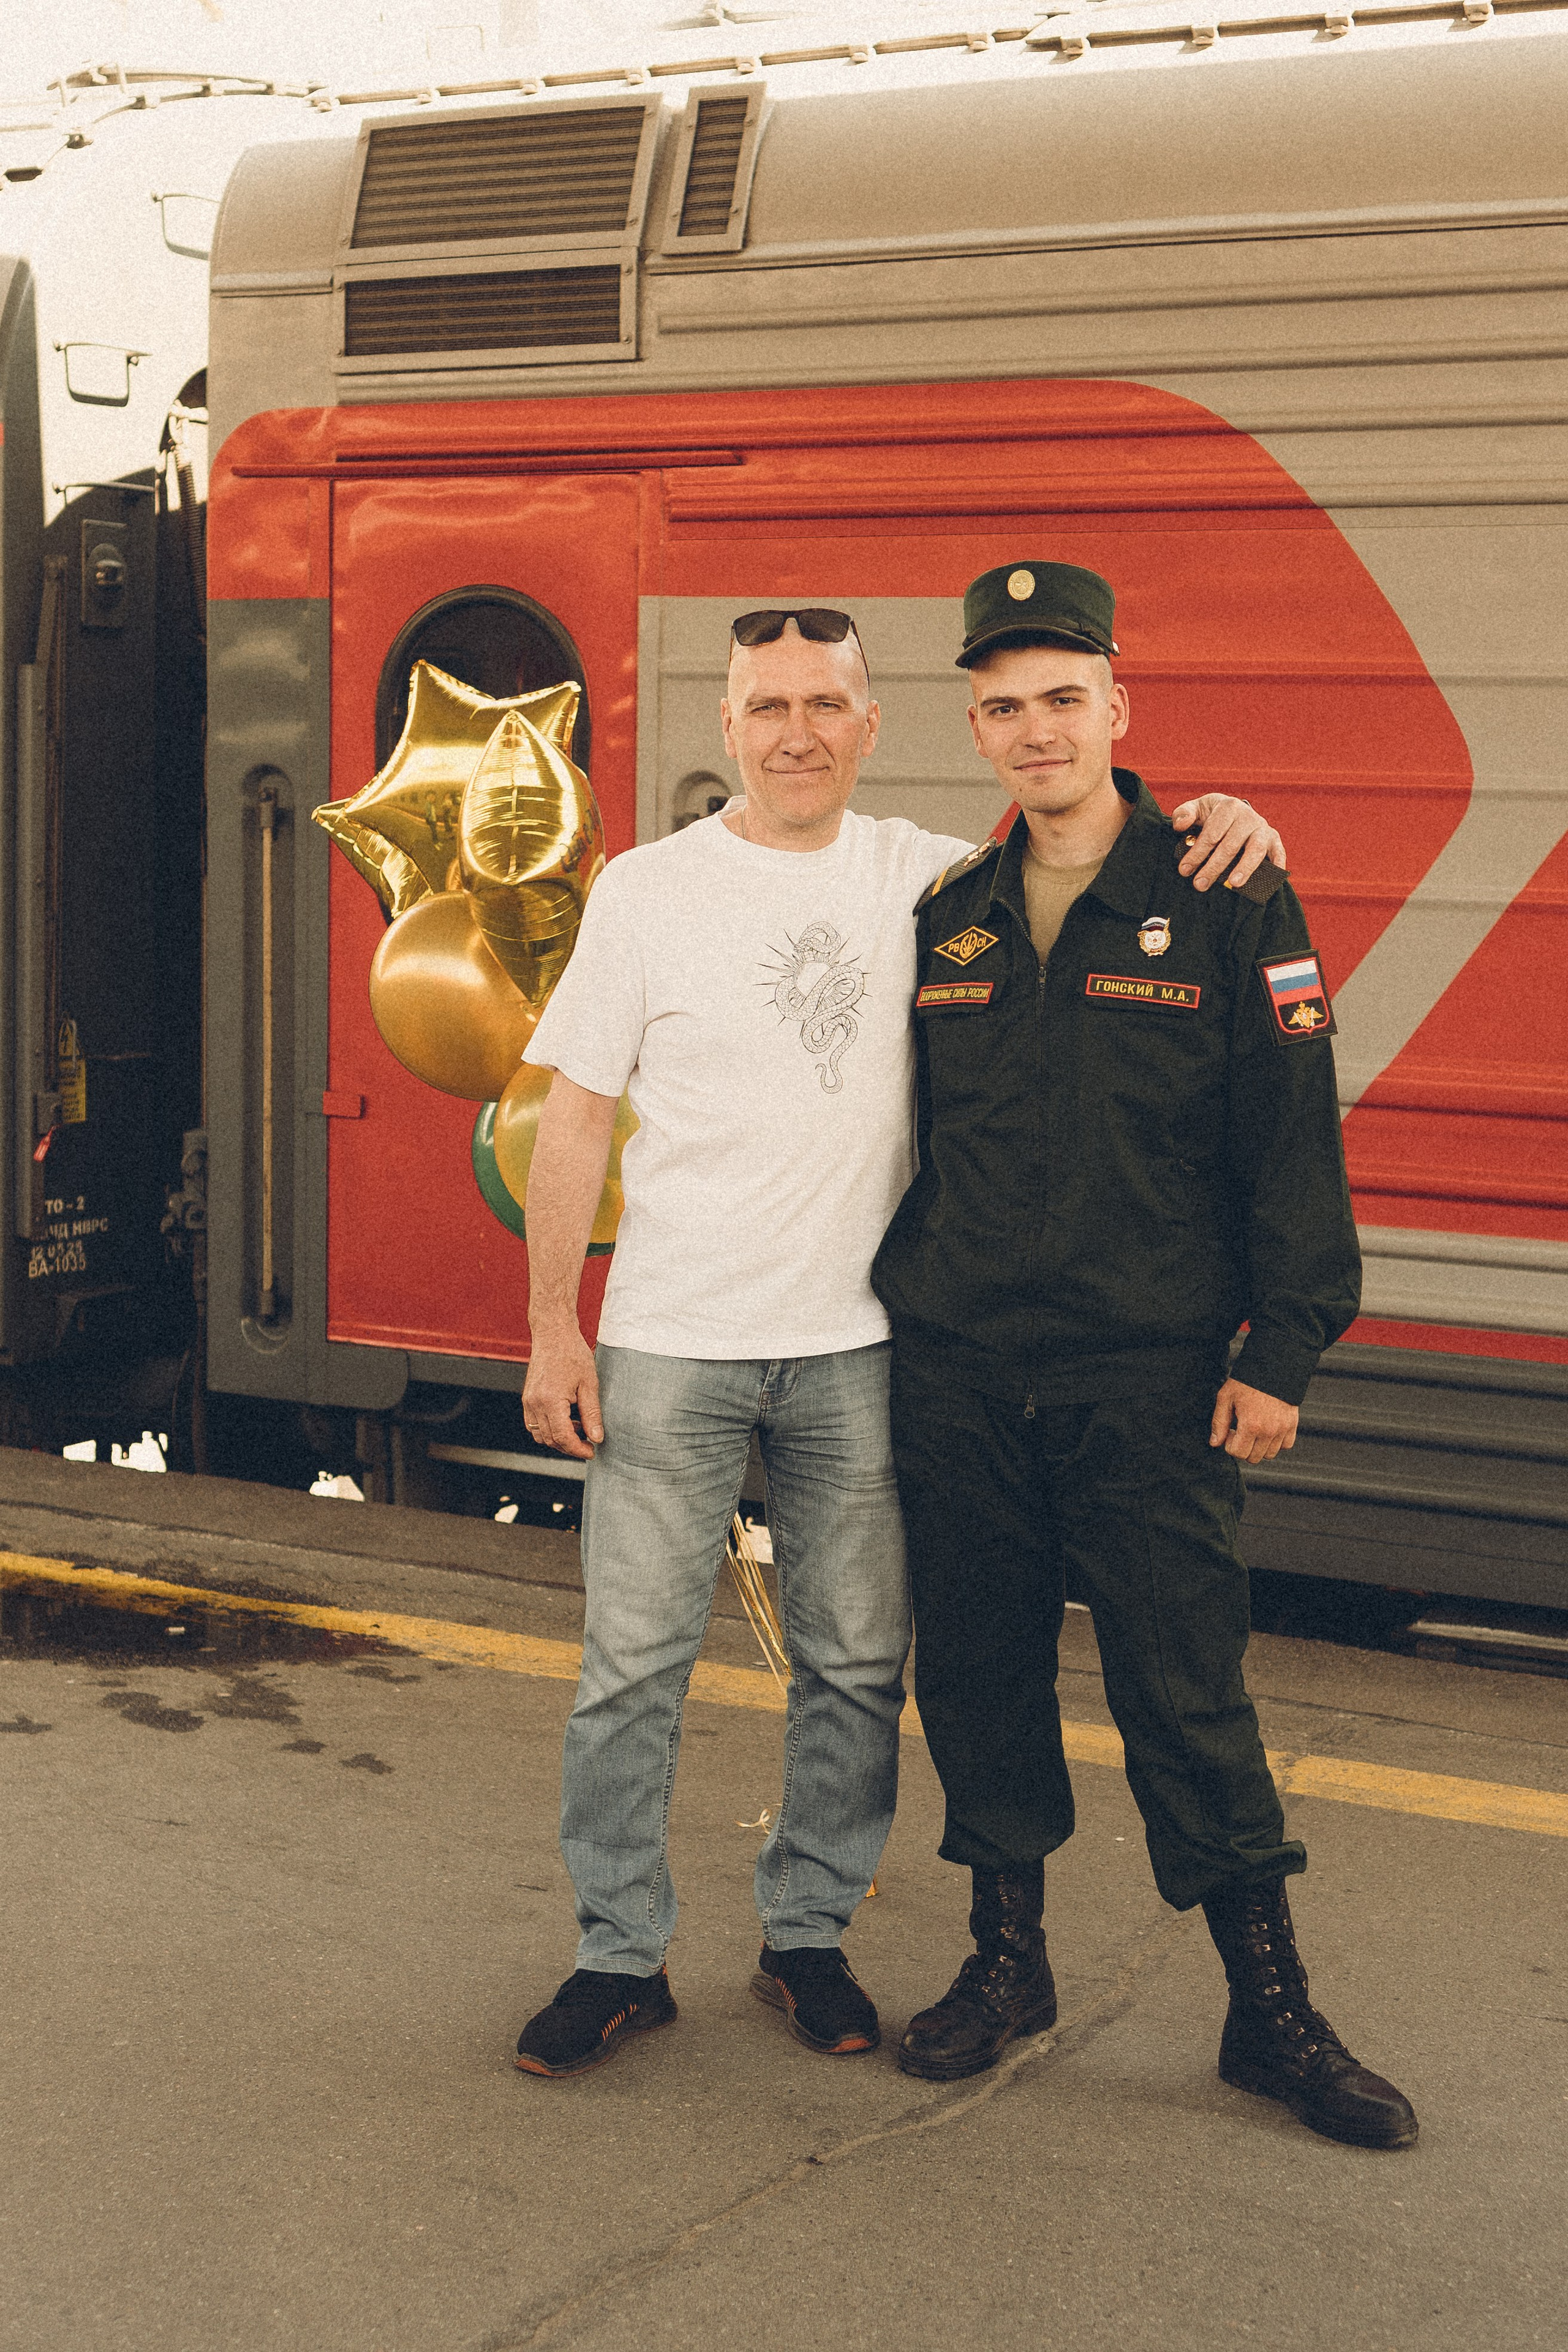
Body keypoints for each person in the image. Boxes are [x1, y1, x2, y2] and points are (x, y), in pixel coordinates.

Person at [512, 603, 1284, 2079]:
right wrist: (559, 1330)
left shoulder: (934, 877)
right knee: (630, 1667)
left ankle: (804, 1936)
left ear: (871, 728)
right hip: (671, 1338)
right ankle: (617, 1953)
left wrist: (1220, 820)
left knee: (858, 1665)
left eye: (824, 703)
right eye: (765, 706)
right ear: (725, 729)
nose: (795, 730)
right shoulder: (647, 889)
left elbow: (1089, 843)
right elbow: (577, 1112)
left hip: (865, 1345)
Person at [870, 562, 1417, 2149]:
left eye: (1061, 698)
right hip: (962, 1371)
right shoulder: (949, 917)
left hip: (1151, 1380)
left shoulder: (1232, 890)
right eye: (1002, 707)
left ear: (1118, 707)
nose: (1034, 730)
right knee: (976, 1673)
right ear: (975, 729)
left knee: (1187, 1691)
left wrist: (1285, 1349)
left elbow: (1288, 1140)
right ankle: (1005, 1962)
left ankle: (1270, 2008)